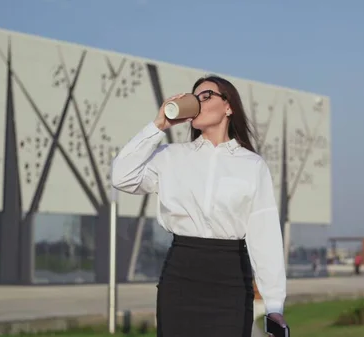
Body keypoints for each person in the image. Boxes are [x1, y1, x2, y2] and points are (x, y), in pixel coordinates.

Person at [111, 75, 287, 337]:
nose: (198, 102)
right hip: (181, 278)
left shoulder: (252, 166)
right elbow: (121, 176)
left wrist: (274, 305)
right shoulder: (170, 156)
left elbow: (266, 237)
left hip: (231, 281)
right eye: (195, 98)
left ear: (229, 107)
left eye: (206, 96)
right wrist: (158, 125)